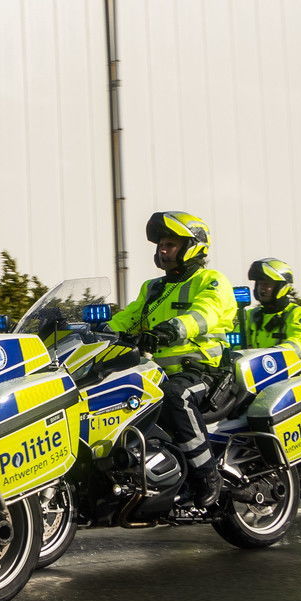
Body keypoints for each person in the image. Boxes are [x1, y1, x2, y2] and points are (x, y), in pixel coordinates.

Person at [109, 212, 231, 506]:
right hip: (157, 373)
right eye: (161, 244)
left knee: (177, 396)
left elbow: (206, 314)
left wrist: (171, 329)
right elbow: (129, 317)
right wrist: (95, 331)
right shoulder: (153, 288)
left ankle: (207, 474)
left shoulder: (211, 281)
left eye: (171, 244)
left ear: (194, 246)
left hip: (204, 371)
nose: (163, 250)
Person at [242, 258, 301, 358]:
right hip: (260, 372)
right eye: (259, 283)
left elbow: (298, 343)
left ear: (281, 286)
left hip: (298, 373)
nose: (262, 288)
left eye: (267, 284)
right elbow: (237, 345)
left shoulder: (298, 314)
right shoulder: (250, 315)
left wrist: (272, 354)